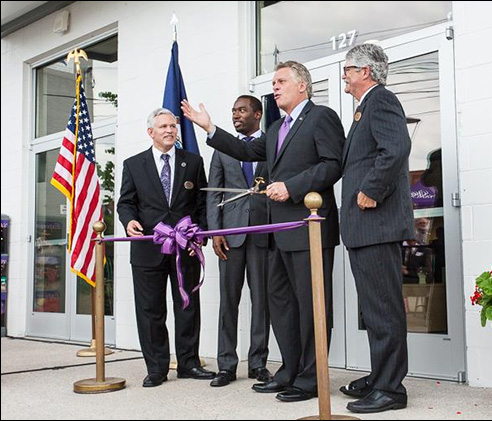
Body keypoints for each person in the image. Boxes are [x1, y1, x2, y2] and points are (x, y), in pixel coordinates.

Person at [182, 60, 345, 402]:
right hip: (277, 235)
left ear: (303, 85)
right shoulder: (275, 128)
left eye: (281, 80)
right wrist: (210, 128)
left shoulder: (321, 117)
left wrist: (291, 187)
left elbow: (333, 165)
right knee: (281, 305)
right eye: (273, 81)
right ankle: (289, 370)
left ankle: (312, 378)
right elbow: (243, 149)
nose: (275, 86)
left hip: (308, 230)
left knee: (311, 305)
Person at [338, 44, 414, 413]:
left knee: (383, 309)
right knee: (374, 308)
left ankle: (391, 390)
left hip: (377, 225)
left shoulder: (381, 100)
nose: (344, 76)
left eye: (348, 69)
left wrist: (371, 190)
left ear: (365, 71)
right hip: (364, 228)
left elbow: (397, 148)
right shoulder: (364, 107)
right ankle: (379, 376)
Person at [117, 108, 215, 388]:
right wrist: (129, 221)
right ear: (151, 132)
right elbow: (126, 202)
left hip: (185, 247)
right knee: (151, 310)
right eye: (163, 127)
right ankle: (157, 368)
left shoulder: (193, 162)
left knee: (187, 305)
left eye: (173, 126)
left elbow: (201, 202)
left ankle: (189, 364)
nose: (170, 130)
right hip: (148, 248)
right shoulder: (134, 164)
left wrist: (202, 232)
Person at [207, 95, 272, 387]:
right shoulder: (222, 150)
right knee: (228, 302)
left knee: (262, 301)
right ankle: (226, 365)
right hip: (230, 235)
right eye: (233, 111)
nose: (236, 115)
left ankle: (258, 363)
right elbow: (213, 193)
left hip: (262, 233)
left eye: (242, 110)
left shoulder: (272, 144)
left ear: (257, 114)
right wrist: (215, 232)